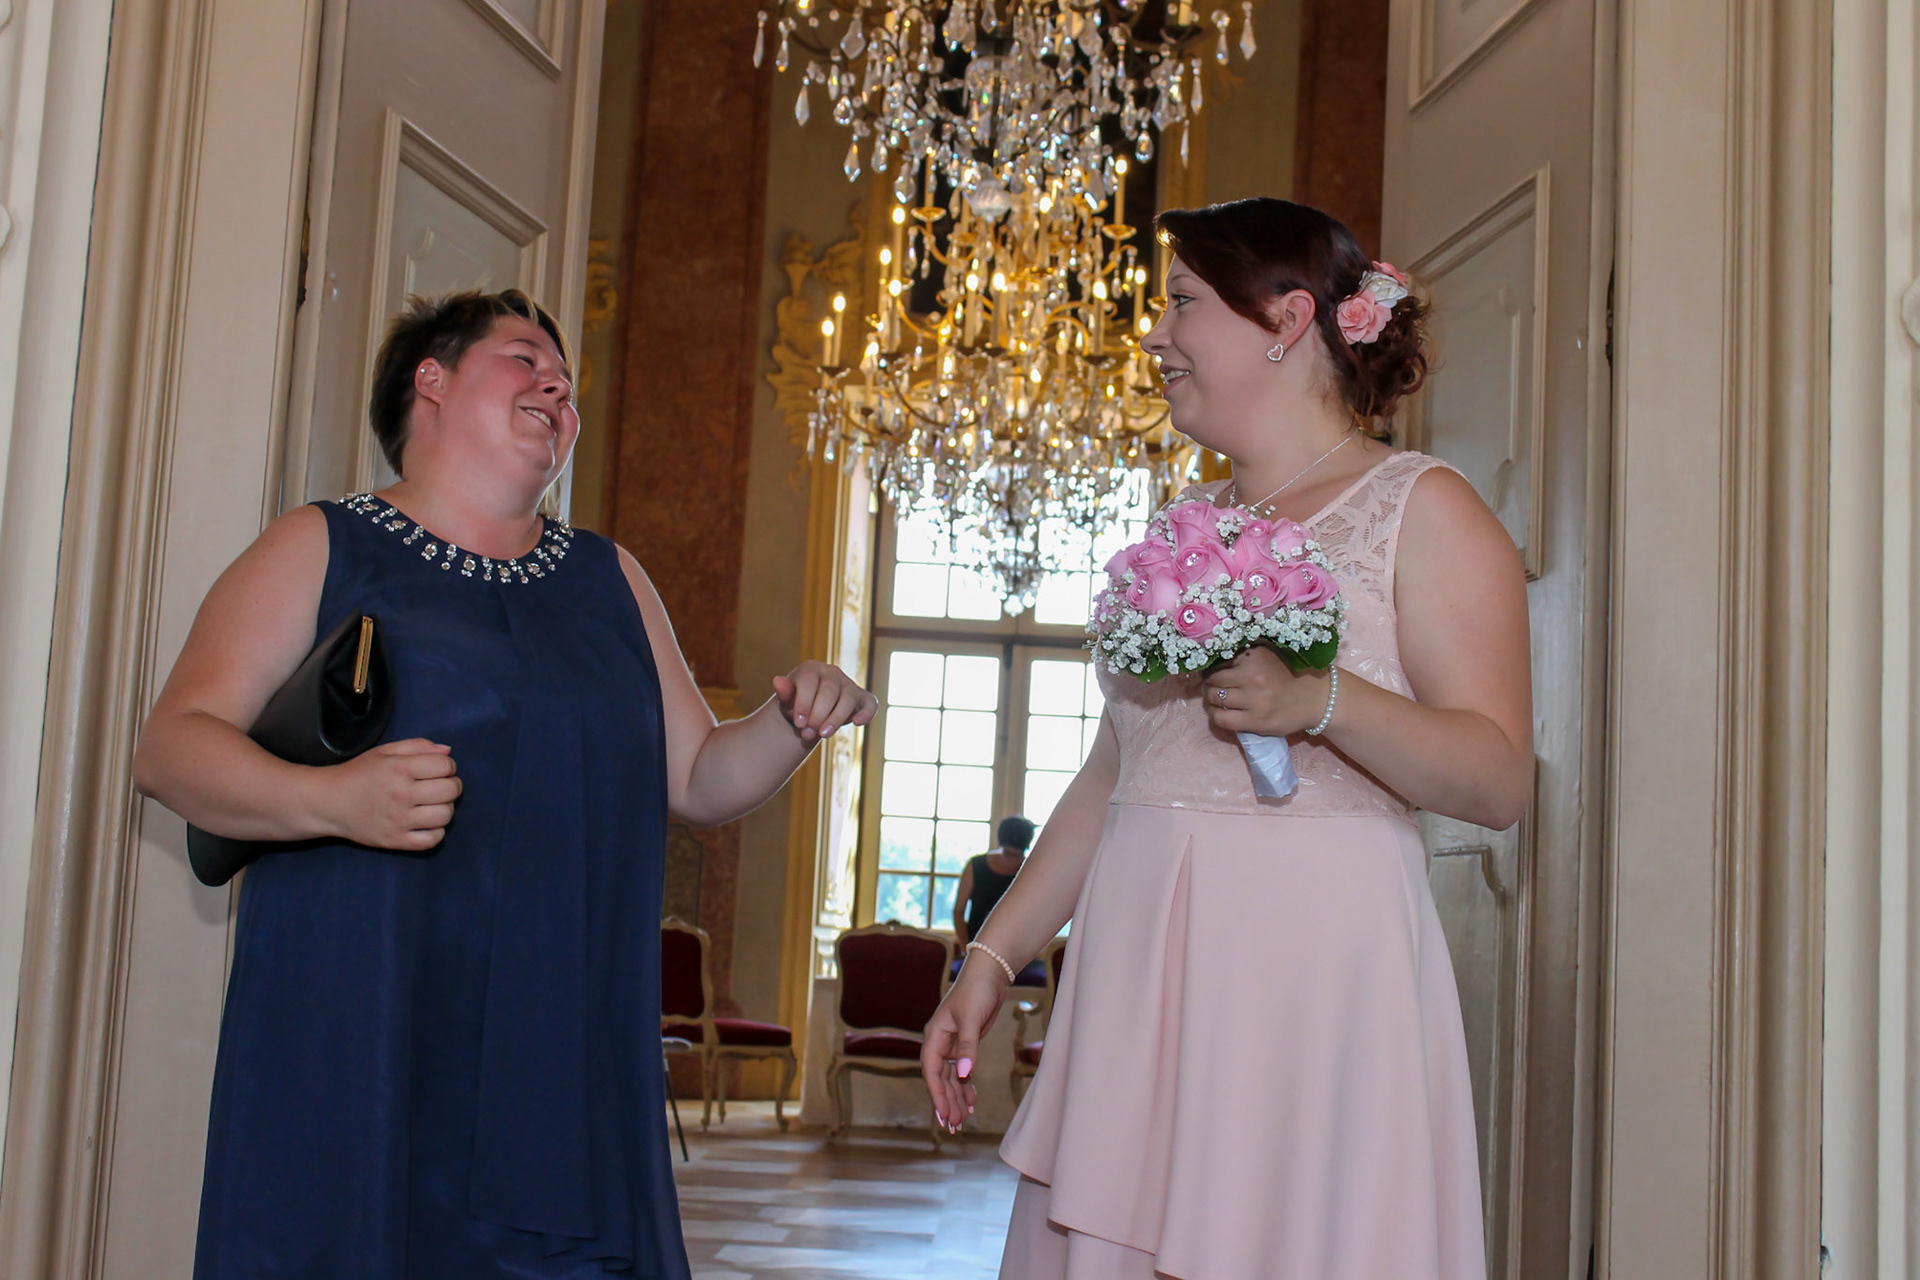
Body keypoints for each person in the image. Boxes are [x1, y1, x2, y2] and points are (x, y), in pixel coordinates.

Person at [133, 289, 877, 1280]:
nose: (559, 386)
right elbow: (172, 748)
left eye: (566, 380)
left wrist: (794, 722)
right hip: (364, 1029)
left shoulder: (612, 578)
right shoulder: (325, 544)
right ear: (431, 380)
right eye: (526, 358)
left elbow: (700, 776)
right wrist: (335, 800)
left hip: (559, 1054)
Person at [922, 198, 1532, 1280]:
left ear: (1286, 320)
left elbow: (1497, 777)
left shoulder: (1423, 508)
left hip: (1309, 982)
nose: (1156, 336)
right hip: (1136, 978)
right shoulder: (1179, 525)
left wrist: (1323, 702)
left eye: (1182, 304)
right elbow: (1113, 779)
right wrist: (991, 960)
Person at [952, 815, 1037, 945]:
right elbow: (958, 911)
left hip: (1015, 948)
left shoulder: (1031, 870)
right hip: (978, 944)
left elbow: (1037, 917)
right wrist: (966, 947)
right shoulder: (976, 865)